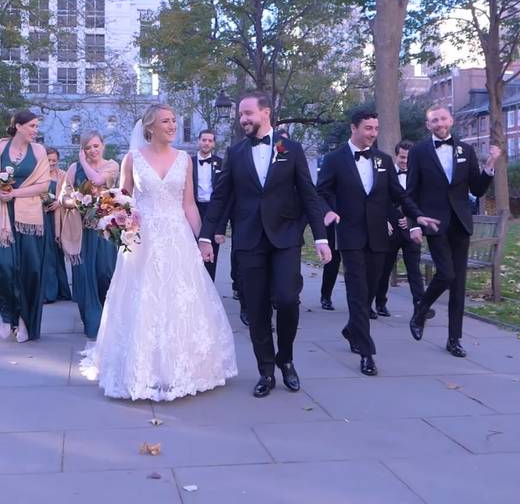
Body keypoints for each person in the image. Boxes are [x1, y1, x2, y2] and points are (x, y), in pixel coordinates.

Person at [80, 104, 237, 401]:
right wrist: (115, 223)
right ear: (150, 127)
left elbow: (188, 204)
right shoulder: (132, 159)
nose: (173, 125)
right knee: (143, 299)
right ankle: (142, 369)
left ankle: (181, 369)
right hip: (142, 239)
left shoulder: (184, 160)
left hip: (177, 236)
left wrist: (202, 239)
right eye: (166, 121)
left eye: (175, 120)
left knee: (180, 299)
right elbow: (122, 198)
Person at [199, 92, 332, 398]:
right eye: (240, 115)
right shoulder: (235, 153)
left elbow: (309, 194)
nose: (243, 119)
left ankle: (286, 359)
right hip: (248, 239)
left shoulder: (291, 150)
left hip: (285, 237)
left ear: (266, 112)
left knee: (287, 299)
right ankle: (266, 370)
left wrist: (321, 236)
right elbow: (220, 197)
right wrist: (206, 236)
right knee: (257, 308)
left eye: (248, 113)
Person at [317, 110, 437, 376]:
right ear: (354, 128)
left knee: (370, 289)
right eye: (368, 128)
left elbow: (398, 194)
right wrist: (328, 210)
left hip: (379, 235)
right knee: (357, 291)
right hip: (350, 235)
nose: (373, 133)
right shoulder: (334, 159)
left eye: (376, 128)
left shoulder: (382, 160)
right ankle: (366, 351)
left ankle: (351, 330)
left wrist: (416, 216)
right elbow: (321, 192)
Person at [406, 105, 500, 357]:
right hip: (434, 223)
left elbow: (477, 189)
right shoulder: (418, 152)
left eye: (443, 118)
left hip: (460, 223)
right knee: (446, 274)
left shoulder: (465, 150)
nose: (439, 123)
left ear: (451, 120)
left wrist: (490, 165)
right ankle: (421, 310)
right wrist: (415, 223)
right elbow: (411, 192)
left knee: (459, 284)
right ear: (429, 125)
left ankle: (454, 339)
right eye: (434, 120)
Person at [0, 110, 51, 343]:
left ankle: (24, 320)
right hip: (2, 215)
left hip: (29, 216)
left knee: (28, 270)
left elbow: (43, 185)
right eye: (32, 126)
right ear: (19, 126)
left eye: (36, 126)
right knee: (3, 265)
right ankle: (7, 315)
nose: (35, 130)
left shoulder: (39, 151)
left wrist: (14, 193)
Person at [60, 132, 119, 339]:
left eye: (95, 146)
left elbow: (97, 180)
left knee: (104, 273)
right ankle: (91, 323)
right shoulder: (73, 169)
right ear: (82, 150)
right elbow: (63, 196)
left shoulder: (112, 165)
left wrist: (83, 162)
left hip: (104, 230)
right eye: (87, 148)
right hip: (81, 230)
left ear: (102, 145)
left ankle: (108, 319)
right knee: (85, 277)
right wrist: (74, 202)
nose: (92, 151)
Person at [376, 141, 434, 320]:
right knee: (384, 268)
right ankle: (379, 302)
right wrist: (384, 220)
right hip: (390, 228)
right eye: (402, 157)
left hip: (411, 229)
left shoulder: (418, 174)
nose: (405, 161)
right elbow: (378, 199)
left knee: (414, 269)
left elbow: (421, 202)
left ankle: (420, 306)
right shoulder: (385, 172)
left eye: (408, 158)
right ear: (396, 155)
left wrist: (412, 223)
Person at [191, 129, 224, 280]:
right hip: (193, 209)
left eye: (210, 140)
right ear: (198, 141)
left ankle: (209, 286)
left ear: (214, 144)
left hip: (213, 210)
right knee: (192, 250)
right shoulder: (188, 162)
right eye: (204, 140)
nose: (206, 143)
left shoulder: (221, 163)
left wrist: (221, 227)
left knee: (211, 251)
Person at [42, 147, 72, 303]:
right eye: (49, 160)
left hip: (58, 220)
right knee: (46, 255)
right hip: (42, 219)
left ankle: (62, 290)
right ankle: (49, 292)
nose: (52, 163)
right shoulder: (38, 176)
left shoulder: (63, 175)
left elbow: (69, 195)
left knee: (58, 253)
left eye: (54, 160)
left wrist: (58, 204)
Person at [316, 153, 341, 311]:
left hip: (358, 221)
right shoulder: (333, 163)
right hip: (334, 219)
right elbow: (320, 192)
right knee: (333, 260)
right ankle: (326, 295)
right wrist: (328, 211)